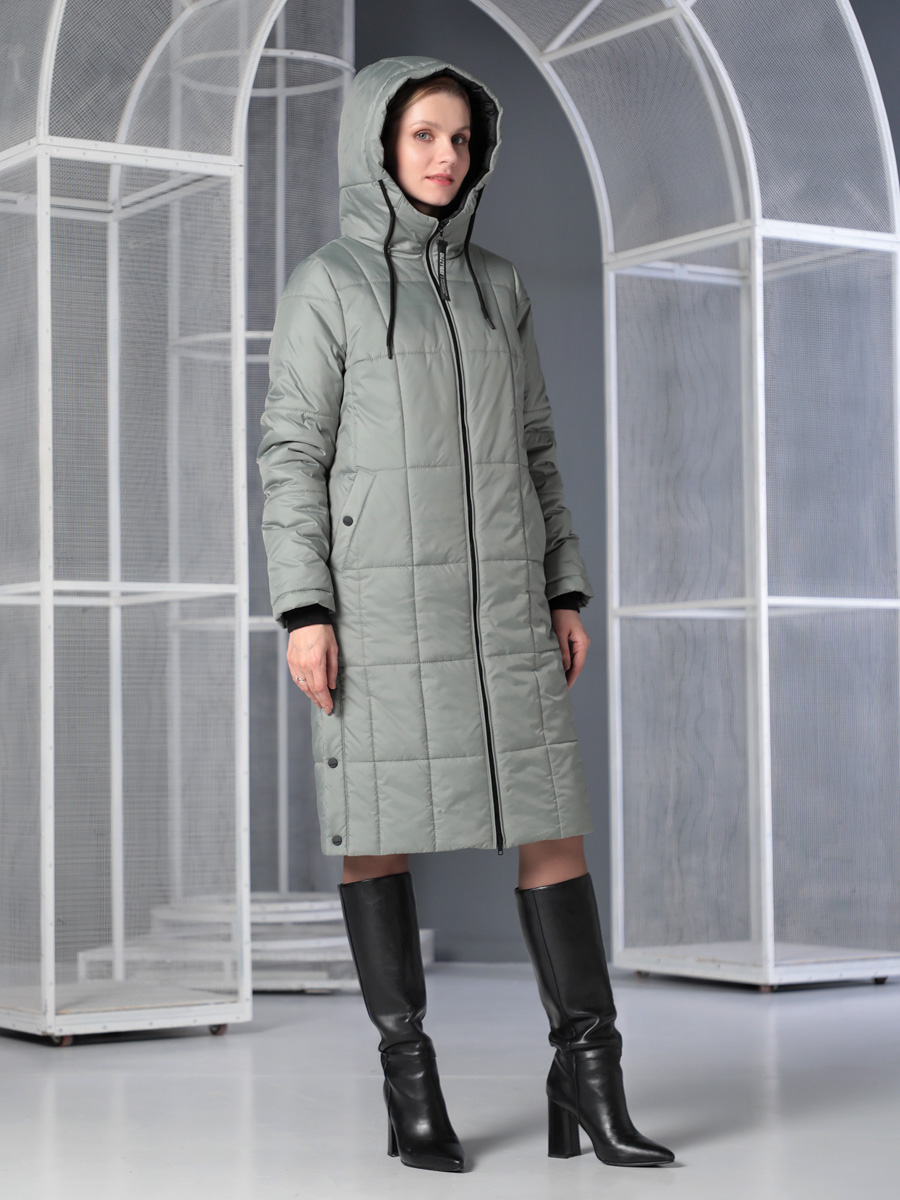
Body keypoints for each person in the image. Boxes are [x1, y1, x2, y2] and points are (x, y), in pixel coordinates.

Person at [258, 55, 674, 1174]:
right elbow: (291, 455)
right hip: (377, 612)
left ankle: (589, 1076)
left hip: (505, 609)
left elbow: (537, 448)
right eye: (423, 135)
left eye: (460, 138)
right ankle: (411, 1090)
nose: (446, 156)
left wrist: (564, 585)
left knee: (553, 828)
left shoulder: (500, 284)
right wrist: (304, 608)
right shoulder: (327, 284)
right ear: (379, 146)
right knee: (375, 832)